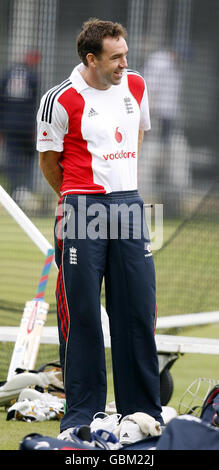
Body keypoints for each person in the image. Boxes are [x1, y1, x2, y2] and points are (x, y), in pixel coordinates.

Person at [37, 18, 163, 440]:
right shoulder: (60, 99)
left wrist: (120, 184)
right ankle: (82, 416)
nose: (125, 63)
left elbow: (137, 136)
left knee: (137, 310)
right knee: (84, 314)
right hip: (80, 205)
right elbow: (49, 162)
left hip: (128, 204)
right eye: (115, 57)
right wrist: (78, 196)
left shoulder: (137, 85)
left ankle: (142, 412)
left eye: (125, 54)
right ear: (91, 59)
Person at [0, 50, 41, 199]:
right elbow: (35, 104)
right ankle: (23, 190)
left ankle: (12, 191)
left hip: (9, 124)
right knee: (27, 157)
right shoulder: (32, 76)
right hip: (25, 125)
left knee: (12, 157)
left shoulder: (9, 73)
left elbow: (2, 101)